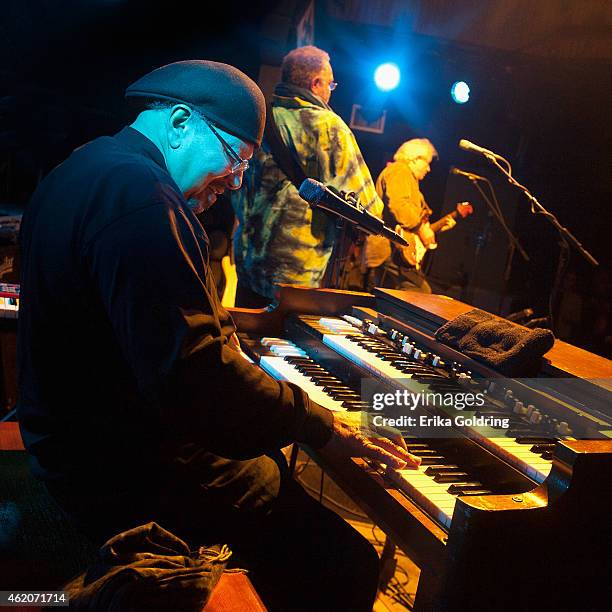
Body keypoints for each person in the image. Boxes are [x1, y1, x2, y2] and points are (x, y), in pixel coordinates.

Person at [17, 60, 418, 610]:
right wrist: (324, 425)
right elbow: (198, 381)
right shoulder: (143, 198)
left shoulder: (85, 168)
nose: (232, 185)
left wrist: (252, 326)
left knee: (272, 465)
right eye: (235, 161)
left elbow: (142, 321)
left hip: (75, 438)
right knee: (345, 560)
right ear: (181, 122)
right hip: (116, 469)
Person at [232, 45, 383, 307]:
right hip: (295, 275)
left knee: (241, 337)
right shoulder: (329, 127)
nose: (330, 92)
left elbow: (234, 187)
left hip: (248, 265)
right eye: (330, 85)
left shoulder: (260, 118)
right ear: (316, 84)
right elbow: (369, 209)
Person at [365, 138, 456, 294]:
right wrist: (421, 228)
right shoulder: (400, 170)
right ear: (415, 159)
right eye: (427, 163)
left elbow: (409, 221)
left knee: (397, 299)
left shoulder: (407, 177)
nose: (428, 169)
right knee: (420, 294)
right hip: (390, 250)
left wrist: (434, 228)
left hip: (395, 251)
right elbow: (399, 207)